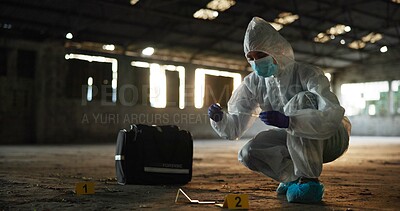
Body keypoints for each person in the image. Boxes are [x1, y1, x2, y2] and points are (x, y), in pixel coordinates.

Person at [208, 17, 352, 203]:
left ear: (275, 51)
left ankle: (310, 180)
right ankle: (294, 179)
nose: (255, 62)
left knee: (301, 100)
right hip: (296, 140)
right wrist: (220, 118)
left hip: (330, 137)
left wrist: (290, 121)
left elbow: (331, 113)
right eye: (250, 58)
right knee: (250, 152)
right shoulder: (253, 83)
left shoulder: (307, 73)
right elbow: (234, 127)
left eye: (260, 56)